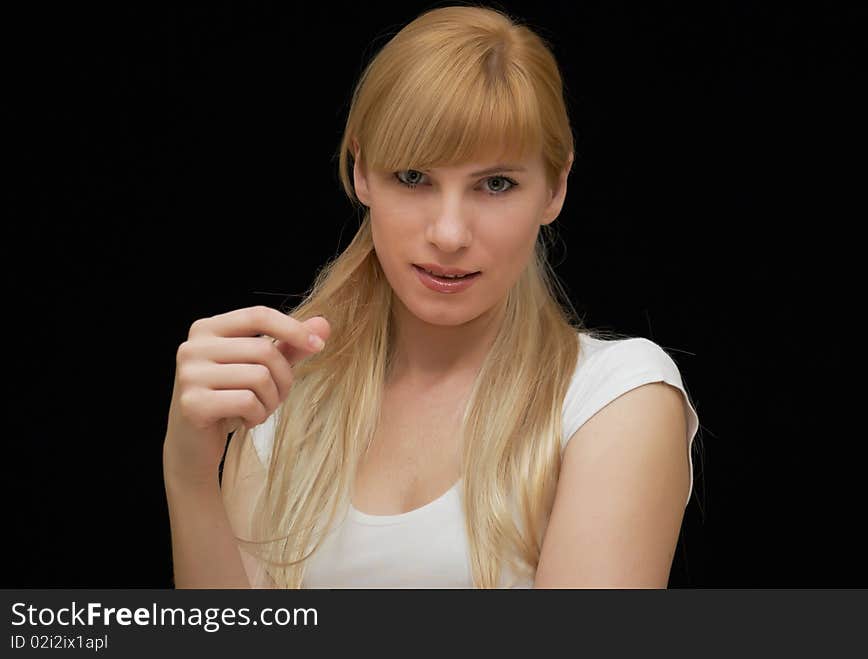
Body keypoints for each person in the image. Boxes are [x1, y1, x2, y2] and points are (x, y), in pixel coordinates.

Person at [162, 4, 700, 589]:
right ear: (362, 172)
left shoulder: (612, 399)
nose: (448, 233)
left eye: (496, 184)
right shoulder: (281, 399)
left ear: (556, 187)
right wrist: (188, 469)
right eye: (414, 178)